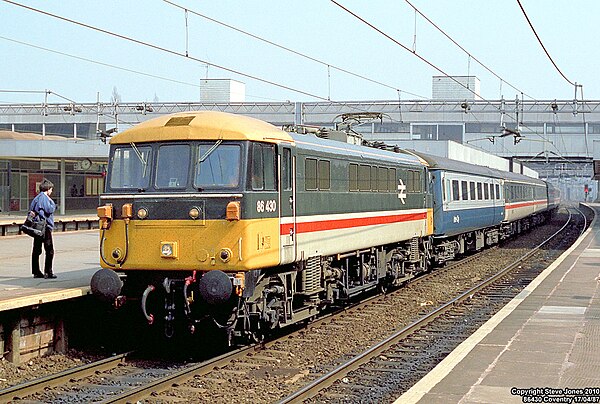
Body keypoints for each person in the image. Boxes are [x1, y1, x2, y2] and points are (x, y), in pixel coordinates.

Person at [30, 179, 57, 279]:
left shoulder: (36, 198)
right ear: (48, 189)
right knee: (49, 250)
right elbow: (49, 209)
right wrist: (52, 203)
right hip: (44, 227)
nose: (51, 191)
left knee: (36, 250)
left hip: (37, 227)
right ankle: (48, 272)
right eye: (51, 189)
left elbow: (32, 210)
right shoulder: (44, 198)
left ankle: (36, 271)